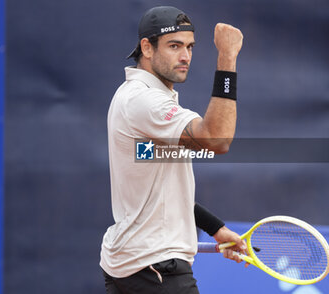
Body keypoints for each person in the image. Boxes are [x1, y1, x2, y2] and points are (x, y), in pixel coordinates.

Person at [100, 6, 247, 294]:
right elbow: (217, 140)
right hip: (156, 267)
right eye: (174, 46)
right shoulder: (143, 101)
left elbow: (162, 194)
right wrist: (227, 59)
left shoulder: (139, 100)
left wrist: (216, 228)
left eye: (190, 47)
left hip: (132, 265)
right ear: (147, 47)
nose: (185, 57)